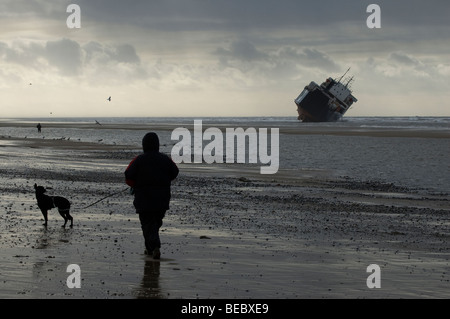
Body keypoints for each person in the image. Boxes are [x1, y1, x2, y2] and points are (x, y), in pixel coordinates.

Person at [125, 132, 179, 259]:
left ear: (144, 145)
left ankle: (154, 246)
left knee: (147, 224)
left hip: (144, 199)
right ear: (157, 145)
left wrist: (135, 184)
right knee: (155, 223)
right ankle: (150, 248)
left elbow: (128, 175)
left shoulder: (138, 160)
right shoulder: (165, 159)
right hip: (162, 199)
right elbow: (174, 172)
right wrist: (164, 180)